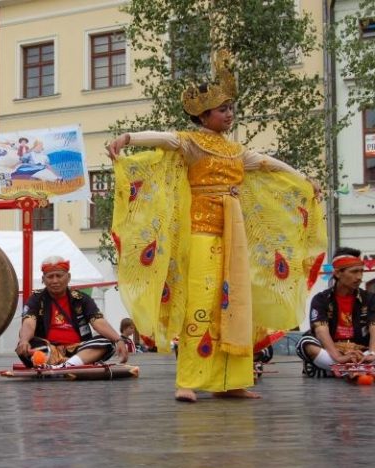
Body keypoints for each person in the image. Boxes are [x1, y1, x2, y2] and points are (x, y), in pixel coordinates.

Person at [107, 49, 326, 402]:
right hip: (200, 234)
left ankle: (230, 381)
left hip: (233, 237)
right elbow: (164, 138)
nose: (229, 115)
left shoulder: (237, 151)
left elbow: (271, 164)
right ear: (205, 115)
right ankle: (188, 381)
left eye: (230, 109)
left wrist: (305, 180)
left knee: (236, 305)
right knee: (202, 303)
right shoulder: (191, 143)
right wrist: (128, 138)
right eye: (223, 110)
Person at [15, 256, 129, 368]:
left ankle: (64, 365)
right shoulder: (36, 298)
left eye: (59, 276)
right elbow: (29, 323)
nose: (55, 280)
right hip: (48, 349)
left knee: (106, 342)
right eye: (50, 277)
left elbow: (98, 321)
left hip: (79, 350)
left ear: (68, 277)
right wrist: (24, 340)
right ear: (43, 279)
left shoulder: (81, 299)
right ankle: (73, 364)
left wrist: (118, 339)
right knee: (28, 347)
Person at [296, 248, 375, 377]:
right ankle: (354, 369)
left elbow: (374, 327)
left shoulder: (370, 298)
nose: (360, 277)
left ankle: (337, 369)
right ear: (338, 273)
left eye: (361, 271)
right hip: (332, 351)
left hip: (363, 352)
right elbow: (321, 331)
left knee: (370, 355)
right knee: (305, 344)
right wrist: (338, 357)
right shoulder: (321, 299)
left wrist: (372, 354)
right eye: (354, 272)